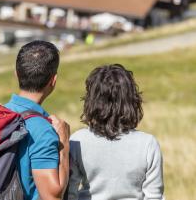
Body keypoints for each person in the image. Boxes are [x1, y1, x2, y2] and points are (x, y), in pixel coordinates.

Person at [68, 64, 164, 200]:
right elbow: (154, 196)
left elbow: (70, 193)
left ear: (91, 100)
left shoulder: (77, 141)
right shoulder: (148, 143)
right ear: (131, 100)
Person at [5, 40, 70, 200]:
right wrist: (65, 145)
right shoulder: (42, 130)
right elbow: (52, 195)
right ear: (53, 81)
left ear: (16, 73)